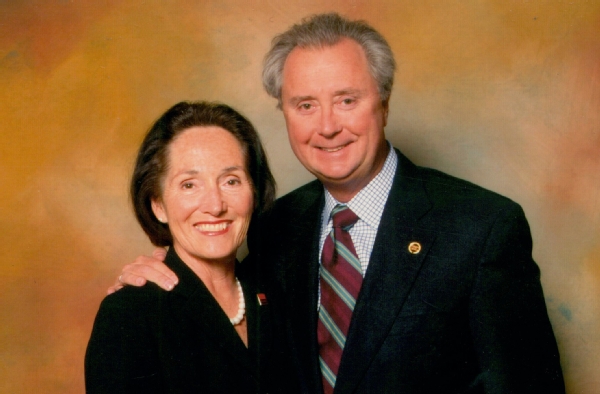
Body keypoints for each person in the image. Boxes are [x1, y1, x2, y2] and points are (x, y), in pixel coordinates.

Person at [111, 13, 565, 393]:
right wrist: (163, 272)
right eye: (305, 105)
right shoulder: (274, 229)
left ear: (383, 103)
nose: (327, 127)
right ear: (284, 112)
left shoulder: (481, 228)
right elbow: (222, 310)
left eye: (346, 100)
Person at [85, 101, 290, 393]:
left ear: (254, 193)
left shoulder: (276, 294)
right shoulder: (129, 315)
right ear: (158, 205)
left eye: (231, 181)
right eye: (189, 185)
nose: (215, 205)